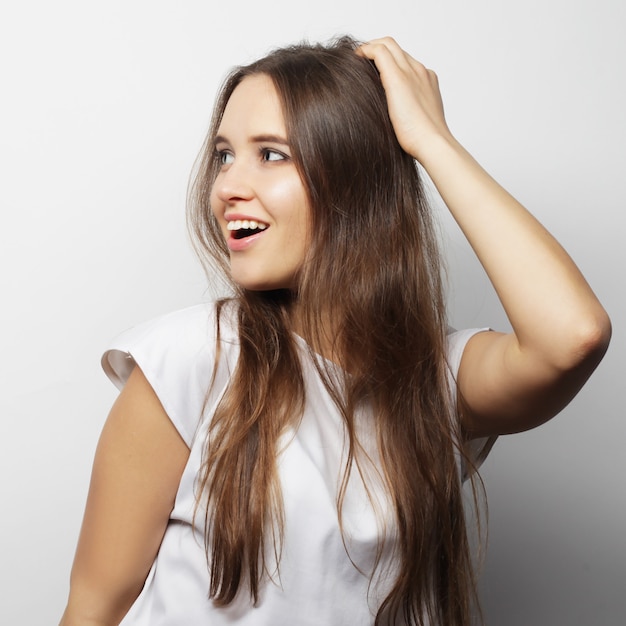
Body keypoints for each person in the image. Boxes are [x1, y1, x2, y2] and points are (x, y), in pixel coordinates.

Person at [59, 36, 611, 626]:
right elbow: (94, 608)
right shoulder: (192, 358)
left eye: (271, 154)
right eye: (224, 155)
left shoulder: (436, 380)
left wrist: (432, 140)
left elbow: (572, 335)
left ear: (355, 180)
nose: (226, 188)